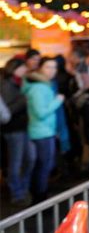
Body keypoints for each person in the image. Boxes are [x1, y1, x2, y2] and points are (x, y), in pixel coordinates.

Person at [23, 56, 65, 203]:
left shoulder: (43, 85)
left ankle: (40, 194)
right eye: (48, 67)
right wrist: (57, 101)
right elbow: (41, 113)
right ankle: (39, 197)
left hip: (45, 131)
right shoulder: (38, 88)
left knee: (44, 165)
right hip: (41, 133)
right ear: (40, 68)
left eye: (54, 67)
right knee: (43, 166)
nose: (52, 70)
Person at [0, 57, 37, 206]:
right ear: (14, 68)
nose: (25, 70)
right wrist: (24, 100)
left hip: (24, 127)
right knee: (16, 162)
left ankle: (23, 187)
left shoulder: (19, 82)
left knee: (30, 158)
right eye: (22, 68)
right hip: (13, 129)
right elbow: (6, 111)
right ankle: (17, 193)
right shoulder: (6, 84)